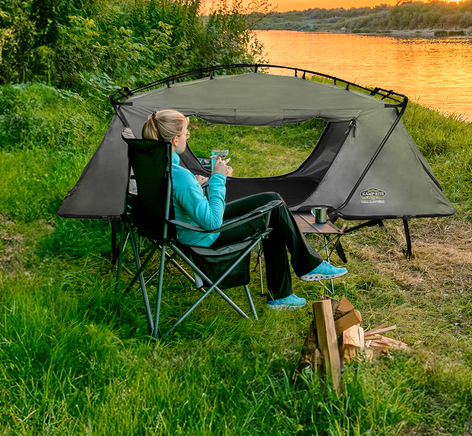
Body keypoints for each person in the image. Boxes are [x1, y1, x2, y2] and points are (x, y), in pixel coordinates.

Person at [141, 109, 346, 309]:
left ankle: (295, 280)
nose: (188, 136)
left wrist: (198, 184)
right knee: (272, 214)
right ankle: (294, 281)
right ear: (175, 140)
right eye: (186, 133)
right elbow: (212, 223)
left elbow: (177, 196)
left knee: (271, 200)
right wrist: (218, 180)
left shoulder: (154, 167)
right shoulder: (181, 177)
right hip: (203, 235)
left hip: (178, 228)